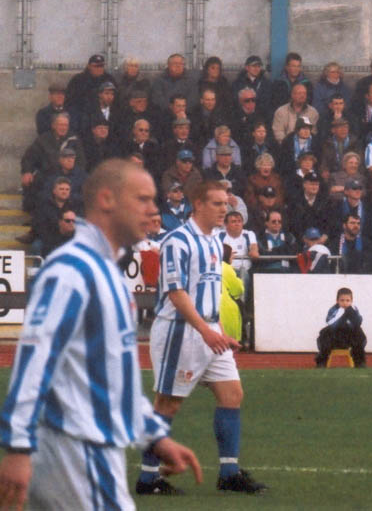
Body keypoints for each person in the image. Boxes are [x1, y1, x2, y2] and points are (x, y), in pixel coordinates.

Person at [0, 160, 202, 510]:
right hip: (77, 451)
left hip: (90, 450)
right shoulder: (71, 271)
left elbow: (113, 378)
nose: (153, 210)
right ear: (107, 199)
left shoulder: (107, 274)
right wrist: (18, 447)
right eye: (142, 199)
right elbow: (35, 359)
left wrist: (154, 437)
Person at [141, 179, 266, 495]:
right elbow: (176, 292)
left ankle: (229, 473)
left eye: (226, 204)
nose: (225, 209)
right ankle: (147, 478)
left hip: (209, 331)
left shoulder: (214, 241)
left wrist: (220, 332)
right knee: (167, 403)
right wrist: (205, 330)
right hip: (179, 332)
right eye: (218, 203)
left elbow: (211, 292)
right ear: (198, 204)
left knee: (232, 394)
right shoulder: (177, 241)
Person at [315, 288, 367, 368]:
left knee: (359, 333)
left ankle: (359, 362)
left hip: (349, 337)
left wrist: (351, 314)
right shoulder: (334, 309)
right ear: (337, 301)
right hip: (335, 336)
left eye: (347, 300)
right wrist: (342, 315)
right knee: (324, 333)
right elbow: (330, 322)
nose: (345, 303)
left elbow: (358, 322)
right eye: (342, 300)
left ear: (351, 301)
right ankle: (322, 361)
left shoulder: (354, 309)